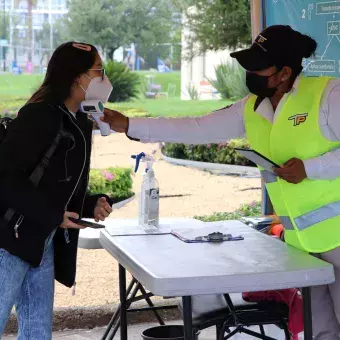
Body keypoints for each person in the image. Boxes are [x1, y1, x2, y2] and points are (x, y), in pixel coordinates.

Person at [102, 25, 340, 339]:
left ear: (285, 72)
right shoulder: (253, 107)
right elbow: (196, 127)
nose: (250, 72)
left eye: (259, 67)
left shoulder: (328, 94)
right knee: (319, 330)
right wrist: (130, 124)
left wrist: (310, 168)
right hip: (303, 245)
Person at [0, 42, 114, 339]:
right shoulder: (39, 116)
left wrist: (89, 205)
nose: (104, 79)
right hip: (9, 242)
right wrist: (52, 214)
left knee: (37, 331)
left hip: (42, 238)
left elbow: (56, 184)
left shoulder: (78, 121)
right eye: (99, 71)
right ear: (77, 77)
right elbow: (5, 179)